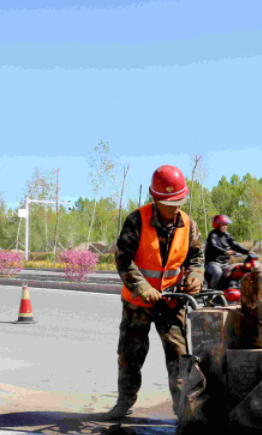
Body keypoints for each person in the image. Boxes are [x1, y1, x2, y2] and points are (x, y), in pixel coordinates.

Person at [105, 165, 205, 420]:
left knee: (180, 357)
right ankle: (124, 403)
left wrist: (195, 276)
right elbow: (123, 259)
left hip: (172, 303)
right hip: (138, 303)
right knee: (130, 354)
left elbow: (196, 257)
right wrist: (142, 287)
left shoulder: (189, 225)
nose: (175, 208)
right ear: (155, 199)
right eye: (169, 203)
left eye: (179, 202)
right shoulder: (136, 220)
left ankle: (183, 412)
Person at [204, 214, 250, 290]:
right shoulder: (212, 235)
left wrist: (248, 252)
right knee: (218, 273)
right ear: (217, 224)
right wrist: (225, 252)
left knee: (238, 271)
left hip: (225, 263)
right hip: (213, 263)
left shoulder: (227, 235)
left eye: (226, 224)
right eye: (223, 224)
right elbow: (213, 247)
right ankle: (213, 294)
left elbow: (235, 245)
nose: (225, 226)